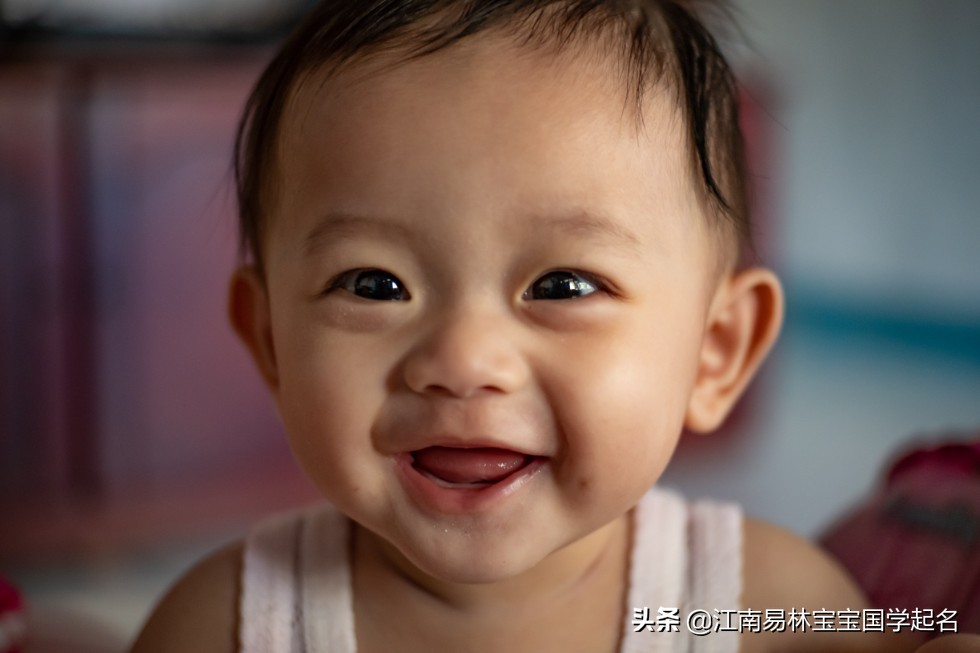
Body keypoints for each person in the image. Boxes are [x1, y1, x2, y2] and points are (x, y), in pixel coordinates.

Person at [130, 1, 964, 650]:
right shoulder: (226, 626)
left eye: (562, 283)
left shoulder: (759, 609)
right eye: (375, 283)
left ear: (715, 352)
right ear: (271, 340)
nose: (462, 360)